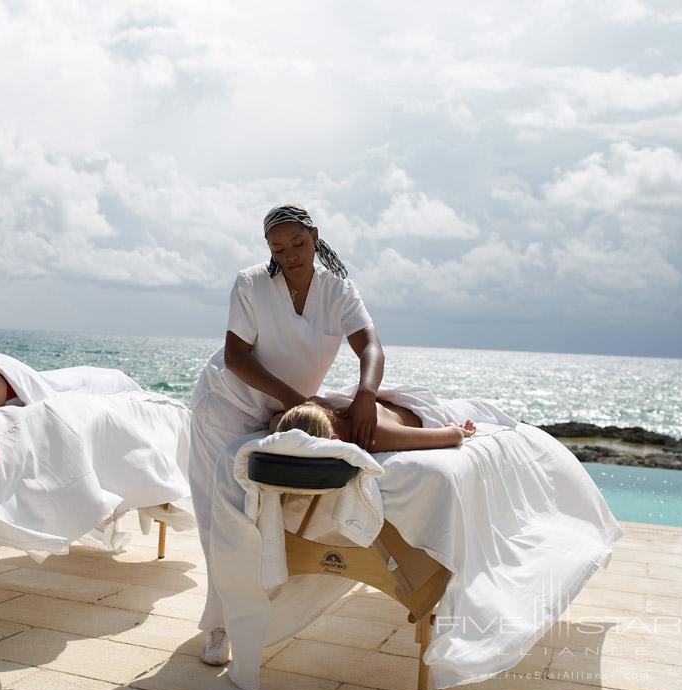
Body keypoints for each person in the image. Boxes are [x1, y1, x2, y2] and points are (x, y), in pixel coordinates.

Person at [190, 203, 385, 666]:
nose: (291, 254)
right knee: (219, 517)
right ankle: (218, 626)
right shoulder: (251, 284)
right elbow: (237, 357)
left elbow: (370, 346)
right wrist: (298, 400)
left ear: (314, 236)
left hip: (283, 414)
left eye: (298, 243)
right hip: (225, 407)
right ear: (269, 249)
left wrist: (367, 395)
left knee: (263, 514)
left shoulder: (338, 291)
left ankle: (253, 611)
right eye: (279, 247)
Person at [274, 400, 476, 449]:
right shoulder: (373, 437)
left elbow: (454, 435)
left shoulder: (374, 435)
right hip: (388, 407)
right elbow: (277, 421)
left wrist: (461, 430)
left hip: (422, 406)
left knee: (474, 407)